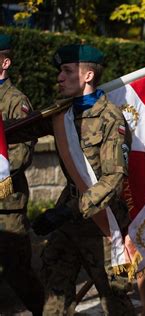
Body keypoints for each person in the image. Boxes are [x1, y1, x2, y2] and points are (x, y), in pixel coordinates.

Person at [6, 44, 135, 315]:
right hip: (69, 222)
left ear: (88, 76)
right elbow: (17, 130)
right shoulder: (61, 114)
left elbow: (113, 179)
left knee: (116, 301)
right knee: (54, 296)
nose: (59, 78)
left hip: (104, 224)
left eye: (66, 71)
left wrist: (66, 211)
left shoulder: (110, 118)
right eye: (60, 71)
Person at [0, 34, 44, 316]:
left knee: (17, 271)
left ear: (5, 63)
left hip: (6, 204)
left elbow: (22, 152)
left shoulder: (16, 101)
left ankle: (45, 311)